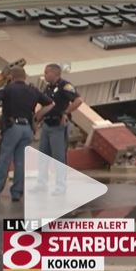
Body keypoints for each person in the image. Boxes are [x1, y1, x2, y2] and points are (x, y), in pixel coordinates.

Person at [0, 67, 54, 202]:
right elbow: (50, 104)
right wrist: (37, 117)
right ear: (24, 77)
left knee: (3, 161)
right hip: (27, 129)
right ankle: (16, 193)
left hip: (12, 128)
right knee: (20, 162)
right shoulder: (33, 90)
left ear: (11, 77)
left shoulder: (8, 89)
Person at [35, 63, 83, 195]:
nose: (44, 75)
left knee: (59, 158)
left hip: (58, 126)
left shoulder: (65, 86)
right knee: (43, 156)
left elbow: (78, 100)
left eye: (46, 72)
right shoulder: (48, 88)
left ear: (54, 73)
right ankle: (41, 184)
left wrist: (66, 112)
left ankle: (61, 186)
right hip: (47, 124)